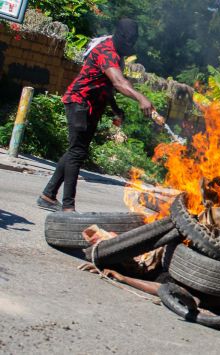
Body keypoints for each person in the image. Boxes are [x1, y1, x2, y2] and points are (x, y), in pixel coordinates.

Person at [37, 19, 162, 212]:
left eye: (133, 41)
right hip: (79, 101)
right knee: (77, 152)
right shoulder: (107, 51)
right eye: (128, 41)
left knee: (76, 151)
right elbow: (119, 82)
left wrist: (115, 108)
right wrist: (141, 98)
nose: (130, 45)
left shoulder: (117, 54)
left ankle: (48, 195)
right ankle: (68, 208)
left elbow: (108, 85)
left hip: (92, 106)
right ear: (119, 36)